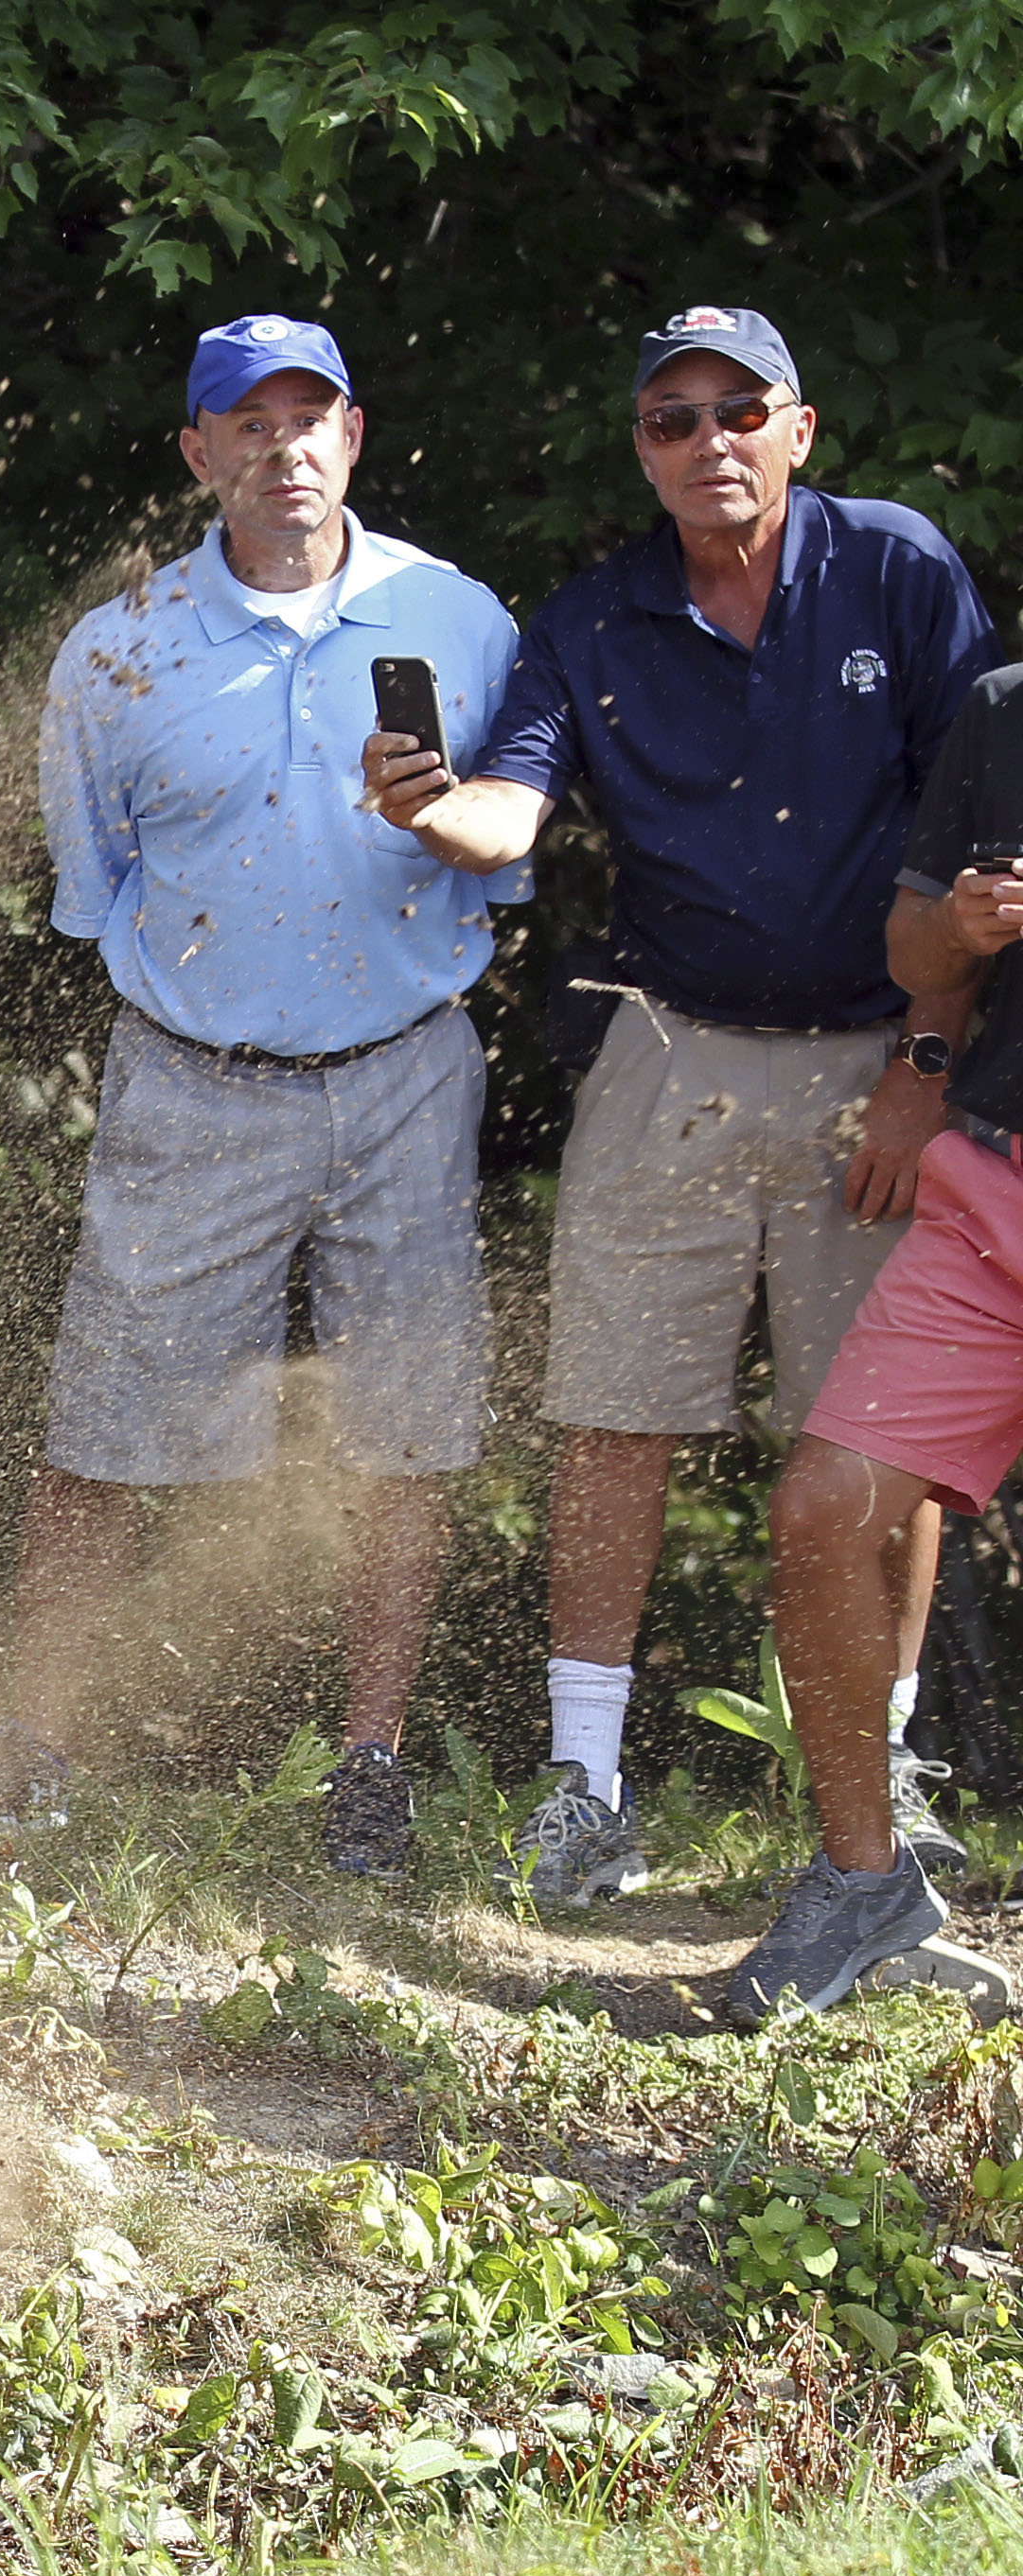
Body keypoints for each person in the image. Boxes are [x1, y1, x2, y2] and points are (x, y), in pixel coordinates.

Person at [367, 305, 998, 1908]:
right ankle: (585, 1779)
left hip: (883, 1054)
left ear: (799, 427)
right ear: (640, 449)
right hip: (669, 1050)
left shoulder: (903, 568)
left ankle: (891, 1766)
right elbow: (515, 800)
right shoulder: (591, 617)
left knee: (881, 1436)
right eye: (671, 419)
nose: (707, 440)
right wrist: (440, 811)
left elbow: (977, 824)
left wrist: (930, 1068)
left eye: (739, 409)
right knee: (612, 1413)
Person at [0, 317, 521, 1872]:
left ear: (354, 433)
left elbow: (515, 842)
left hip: (409, 1065)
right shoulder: (118, 651)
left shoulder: (458, 619)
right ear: (197, 450)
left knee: (400, 1434)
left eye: (311, 417)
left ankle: (373, 1763)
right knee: (100, 1427)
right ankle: (38, 1751)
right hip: (194, 1076)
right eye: (247, 420)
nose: (283, 446)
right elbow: (97, 893)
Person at [742, 681, 1023, 2020]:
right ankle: (863, 1885)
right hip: (994, 1191)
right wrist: (957, 933)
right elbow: (917, 949)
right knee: (820, 1509)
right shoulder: (1007, 711)